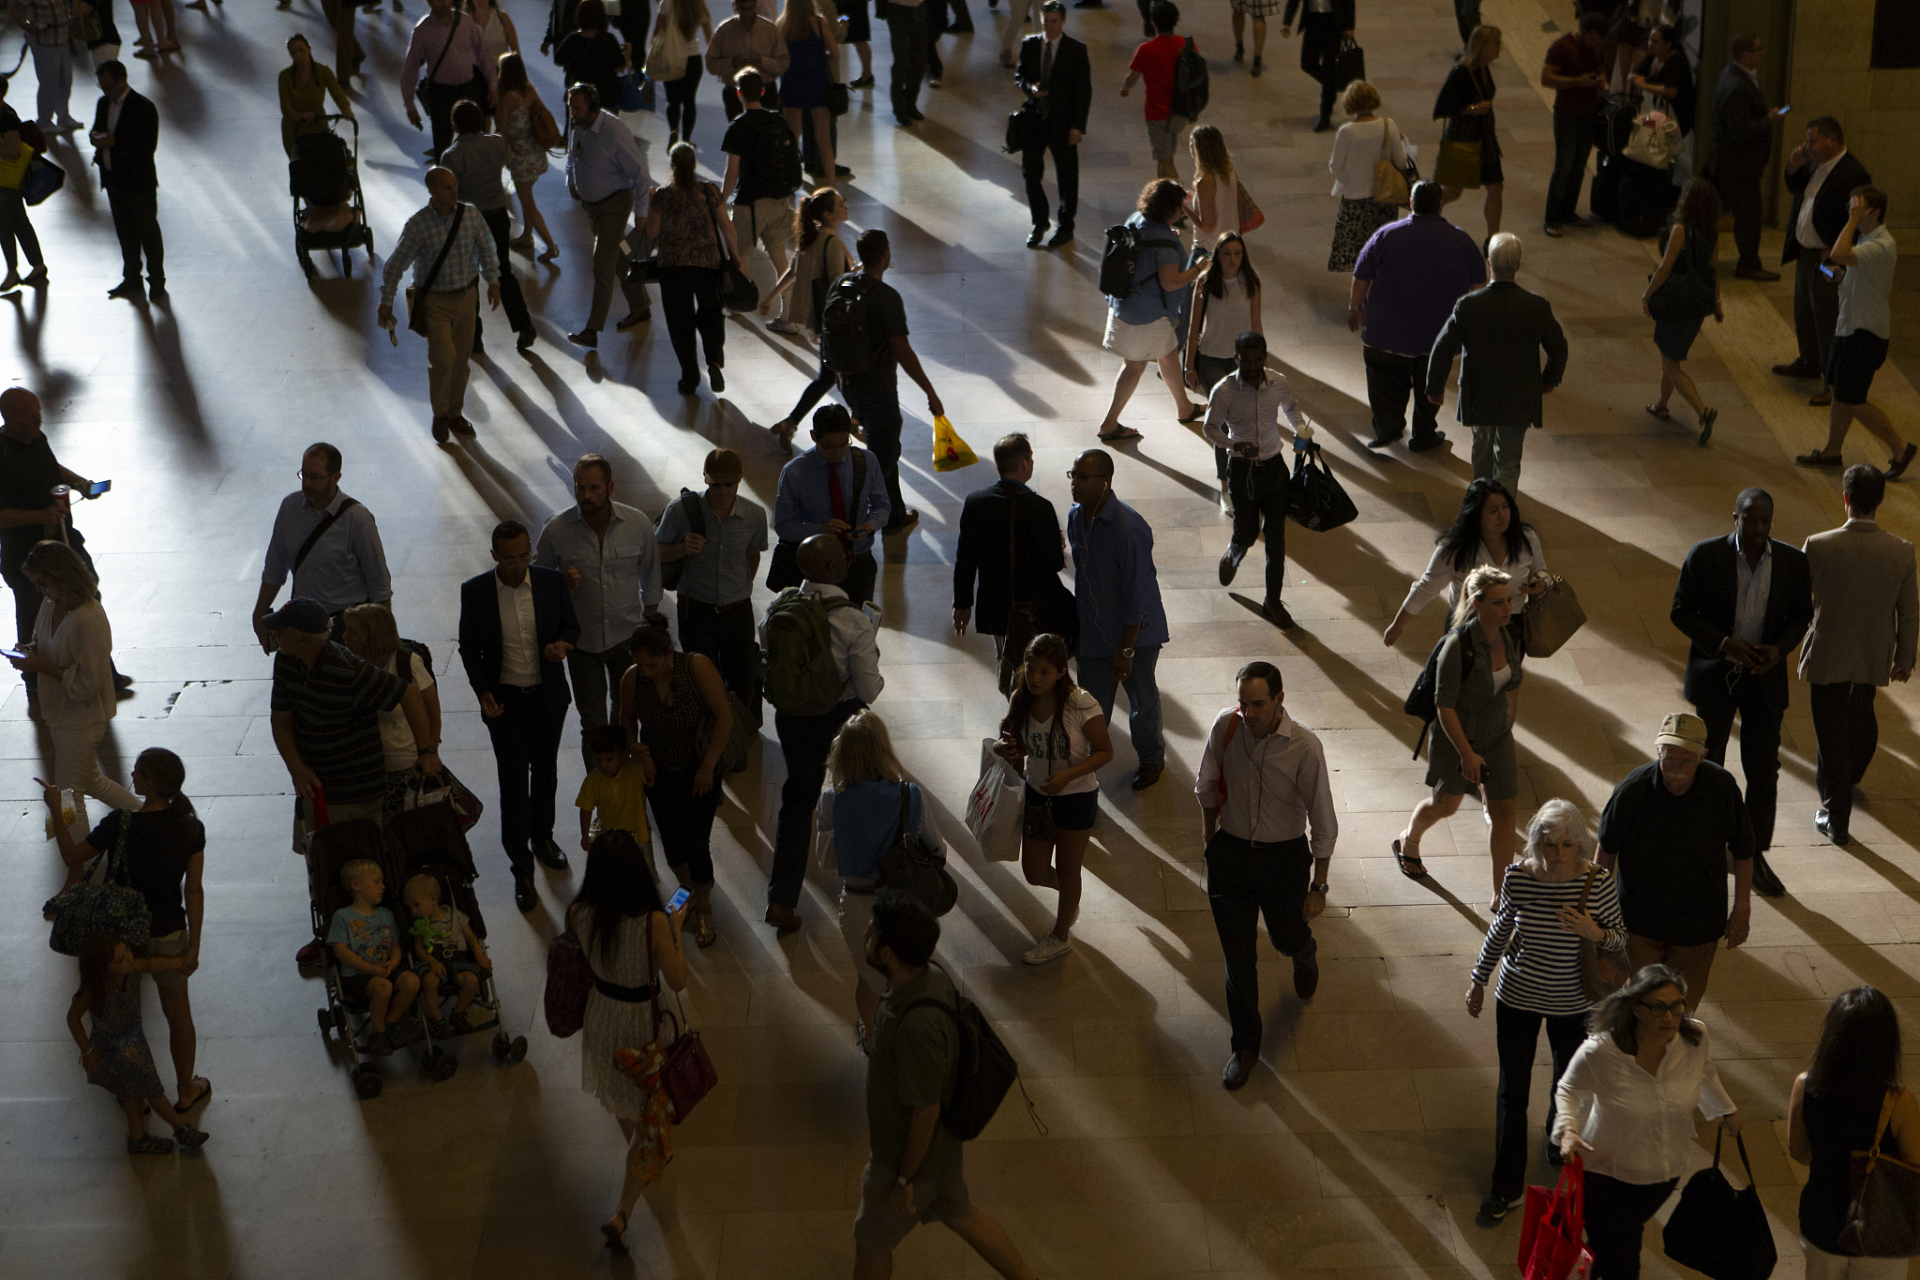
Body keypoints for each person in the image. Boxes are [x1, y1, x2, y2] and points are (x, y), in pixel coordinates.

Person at [853, 889, 1042, 1280]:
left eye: (871, 935)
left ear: (888, 954)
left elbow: (926, 1111)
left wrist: (903, 1180)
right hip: (941, 1154)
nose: (864, 939)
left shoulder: (917, 1026)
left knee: (871, 1241)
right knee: (962, 1216)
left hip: (906, 1161)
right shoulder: (929, 974)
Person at [1465, 800, 1625, 1228]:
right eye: (1549, 844)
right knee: (1511, 1091)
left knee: (1565, 1081)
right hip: (1517, 996)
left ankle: (1558, 1137)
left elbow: (1618, 937)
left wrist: (1593, 931)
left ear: (1580, 844)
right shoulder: (1519, 876)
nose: (1557, 855)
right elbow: (1501, 928)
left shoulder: (1598, 881)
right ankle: (1506, 1186)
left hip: (1573, 1002)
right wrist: (1479, 979)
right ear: (1536, 842)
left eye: (1568, 845)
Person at [1197, 661, 1337, 1089]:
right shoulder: (1226, 727)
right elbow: (1206, 784)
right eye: (1243, 703)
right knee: (1238, 959)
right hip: (1232, 856)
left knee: (1284, 936)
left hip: (1283, 860)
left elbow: (1324, 821)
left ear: (1280, 700)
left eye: (1258, 704)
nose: (1249, 713)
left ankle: (1303, 951)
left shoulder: (1304, 747)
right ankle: (1245, 1046)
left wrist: (1318, 887)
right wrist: (1211, 843)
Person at [45, 749, 206, 1114]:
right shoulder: (191, 827)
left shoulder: (120, 823)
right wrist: (193, 946)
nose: (131, 775)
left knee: (121, 1019)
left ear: (149, 781)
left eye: (137, 772)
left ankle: (131, 1089)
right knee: (178, 1015)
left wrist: (56, 807)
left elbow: (73, 858)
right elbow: (192, 890)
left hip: (120, 940)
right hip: (168, 934)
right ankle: (185, 1089)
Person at [1554, 966, 1740, 1280]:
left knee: (1612, 1244)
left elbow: (1705, 1073)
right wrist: (1568, 1130)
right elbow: (1568, 1088)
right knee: (1624, 1263)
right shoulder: (1602, 1050)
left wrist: (1726, 1110)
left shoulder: (1695, 1038)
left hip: (1663, 1173)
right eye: (1658, 1007)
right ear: (1637, 1009)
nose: (1670, 1016)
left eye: (1676, 1005)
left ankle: (1583, 1267)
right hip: (1606, 1177)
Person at [1670, 487, 1811, 898]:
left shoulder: (1791, 562)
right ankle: (1705, 847)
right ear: (1735, 518)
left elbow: (1802, 616)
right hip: (1717, 676)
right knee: (1707, 763)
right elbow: (1681, 611)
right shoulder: (1706, 555)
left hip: (1763, 681)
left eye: (1765, 521)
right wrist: (1726, 644)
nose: (1757, 528)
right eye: (1749, 519)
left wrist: (1778, 650)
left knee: (1763, 771)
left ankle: (1752, 852)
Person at [566, 830, 689, 1253]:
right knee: (651, 1119)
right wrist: (675, 930)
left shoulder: (578, 913)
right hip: (643, 1024)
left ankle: (646, 1145)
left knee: (622, 1100)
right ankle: (622, 1214)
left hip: (601, 1015)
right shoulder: (653, 921)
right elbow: (678, 979)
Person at [457, 520, 582, 911]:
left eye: (524, 557)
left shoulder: (550, 582)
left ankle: (543, 838)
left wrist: (562, 644)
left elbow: (570, 625)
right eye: (509, 559)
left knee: (545, 771)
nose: (517, 566)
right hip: (505, 702)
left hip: (546, 696)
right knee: (512, 781)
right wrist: (484, 694)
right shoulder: (476, 592)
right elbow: (469, 649)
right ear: (494, 555)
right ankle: (521, 868)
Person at [763, 534, 883, 934]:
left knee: (797, 803)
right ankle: (866, 882)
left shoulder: (776, 608)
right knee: (859, 794)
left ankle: (781, 901)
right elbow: (868, 691)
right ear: (833, 567)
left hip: (792, 717)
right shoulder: (854, 619)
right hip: (841, 720)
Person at [1595, 713, 1755, 1006]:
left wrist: (1741, 909)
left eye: (1686, 761)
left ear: (1703, 755)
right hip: (1639, 922)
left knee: (1682, 1006)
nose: (1676, 768)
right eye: (1669, 758)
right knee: (1641, 1005)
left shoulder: (1721, 788)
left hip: (1698, 924)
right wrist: (1599, 914)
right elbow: (1605, 850)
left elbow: (1744, 851)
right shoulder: (1632, 791)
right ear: (1658, 752)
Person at [1799, 465, 1919, 846]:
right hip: (1873, 650)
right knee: (1862, 713)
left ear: (1846, 498)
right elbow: (1910, 610)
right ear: (1880, 501)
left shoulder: (1818, 544)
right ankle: (1849, 777)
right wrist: (1905, 657)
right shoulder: (1901, 551)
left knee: (1829, 732)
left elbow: (1800, 602)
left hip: (1828, 650)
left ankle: (1837, 815)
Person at [1390, 566, 1521, 905]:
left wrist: (1508, 722)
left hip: (1497, 737)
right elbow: (1443, 706)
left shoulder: (1510, 636)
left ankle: (1500, 895)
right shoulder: (1457, 646)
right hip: (1458, 739)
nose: (1507, 608)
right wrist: (1466, 754)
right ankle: (1409, 840)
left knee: (1505, 811)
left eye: (1509, 601)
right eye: (1498, 603)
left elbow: (1514, 684)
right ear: (1476, 604)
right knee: (1445, 805)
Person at [816, 711, 942, 1046]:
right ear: (885, 749)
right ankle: (913, 1040)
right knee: (909, 977)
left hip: (857, 904)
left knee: (869, 979)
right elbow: (938, 850)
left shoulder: (832, 799)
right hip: (904, 903)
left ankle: (872, 1038)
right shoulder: (910, 795)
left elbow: (825, 860)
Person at [535, 453, 664, 769]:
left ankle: (625, 785)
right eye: (580, 488)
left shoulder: (637, 525)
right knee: (592, 724)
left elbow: (651, 572)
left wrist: (650, 611)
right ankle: (600, 791)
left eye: (594, 488)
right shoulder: (556, 530)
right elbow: (538, 585)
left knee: (627, 715)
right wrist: (560, 585)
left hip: (627, 639)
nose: (586, 496)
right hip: (583, 644)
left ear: (610, 487)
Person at [993, 634, 1112, 965]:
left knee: (1068, 867)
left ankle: (1061, 935)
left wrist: (1067, 776)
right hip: (1036, 793)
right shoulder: (1023, 697)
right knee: (1034, 871)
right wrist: (1005, 749)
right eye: (1031, 669)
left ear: (1061, 672)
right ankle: (1070, 901)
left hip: (1076, 796)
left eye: (1044, 672)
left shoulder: (1081, 704)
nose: (1035, 678)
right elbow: (1014, 740)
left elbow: (1105, 752)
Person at [0, 388, 118, 712]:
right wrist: (40, 516)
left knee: (86, 590)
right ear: (8, 419)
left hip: (63, 539)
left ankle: (100, 669)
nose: (38, 419)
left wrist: (80, 482)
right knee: (34, 614)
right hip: (25, 553)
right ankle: (35, 682)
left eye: (38, 412)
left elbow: (52, 467)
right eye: (29, 415)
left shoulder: (36, 437)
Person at [1789, 988, 1920, 1280]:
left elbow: (1798, 1152)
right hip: (1879, 1232)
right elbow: (1915, 1169)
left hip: (1821, 1223)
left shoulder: (1805, 1085)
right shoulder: (1899, 1102)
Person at [10, 541, 139, 837]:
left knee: (69, 796)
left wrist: (39, 666)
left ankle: (76, 872)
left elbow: (87, 684)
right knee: (91, 780)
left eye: (42, 583)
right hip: (60, 713)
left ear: (61, 576)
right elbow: (43, 643)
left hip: (83, 719)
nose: (39, 590)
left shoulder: (88, 617)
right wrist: (28, 651)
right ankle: (152, 821)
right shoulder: (50, 603)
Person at [1425, 232, 1567, 494]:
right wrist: (1548, 379)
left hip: (1480, 394)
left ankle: (1481, 507)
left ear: (1488, 263)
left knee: (1482, 452)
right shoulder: (1536, 305)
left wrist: (1435, 387)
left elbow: (1443, 347)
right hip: (1519, 395)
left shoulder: (1468, 305)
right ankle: (1505, 512)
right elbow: (1558, 348)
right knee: (1510, 461)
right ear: (1518, 265)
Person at [1348, 181, 1484, 454]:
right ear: (1441, 205)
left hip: (1385, 334)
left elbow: (1361, 275)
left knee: (1383, 381)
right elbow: (1479, 288)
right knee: (1429, 389)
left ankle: (1388, 428)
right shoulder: (1462, 241)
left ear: (1411, 203)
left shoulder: (1386, 235)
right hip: (1436, 340)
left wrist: (1354, 308)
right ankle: (1423, 435)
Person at [619, 624, 733, 946]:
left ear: (669, 653)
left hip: (700, 768)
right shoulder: (633, 678)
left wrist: (708, 766)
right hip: (658, 771)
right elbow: (626, 718)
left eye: (651, 665)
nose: (645, 671)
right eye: (640, 665)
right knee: (671, 839)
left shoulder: (696, 667)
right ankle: (686, 891)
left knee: (697, 841)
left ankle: (704, 905)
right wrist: (634, 746)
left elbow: (724, 717)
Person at [1067, 448, 1168, 791]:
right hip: (1094, 633)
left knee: (1142, 701)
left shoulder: (1128, 529)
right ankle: (1084, 768)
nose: (1075, 483)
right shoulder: (1075, 517)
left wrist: (1126, 651)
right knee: (1091, 709)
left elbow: (1138, 597)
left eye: (1083, 477)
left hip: (1134, 636)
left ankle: (1152, 759)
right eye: (1074, 475)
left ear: (1106, 481)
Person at [377, 168, 503, 442]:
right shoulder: (419, 225)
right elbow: (396, 264)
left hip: (467, 296)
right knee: (443, 358)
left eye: (455, 184)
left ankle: (455, 414)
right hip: (435, 301)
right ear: (432, 191)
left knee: (461, 360)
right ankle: (439, 413)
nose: (454, 191)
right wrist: (386, 301)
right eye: (447, 187)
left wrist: (493, 282)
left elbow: (487, 248)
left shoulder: (469, 215)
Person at [830, 230, 940, 537]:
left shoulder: (841, 284)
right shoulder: (886, 297)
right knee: (883, 460)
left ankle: (893, 519)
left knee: (882, 451)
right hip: (879, 391)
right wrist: (930, 392)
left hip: (850, 386)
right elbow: (902, 351)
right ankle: (855, 518)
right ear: (886, 255)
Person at [1798, 188, 1914, 476]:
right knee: (1838, 390)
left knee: (1853, 399)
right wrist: (1838, 276)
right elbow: (1850, 270)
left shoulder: (1883, 244)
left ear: (1873, 212)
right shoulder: (1866, 240)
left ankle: (1899, 450)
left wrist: (1850, 221)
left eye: (1856, 207)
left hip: (1865, 334)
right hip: (1847, 328)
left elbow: (1839, 253)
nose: (1850, 210)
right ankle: (1832, 451)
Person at [1203, 331, 1311, 629]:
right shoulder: (1224, 390)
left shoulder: (1278, 382)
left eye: (1257, 359)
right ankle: (1235, 549)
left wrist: (1300, 428)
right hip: (1243, 471)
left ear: (1265, 357)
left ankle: (1272, 601)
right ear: (1235, 358)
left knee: (1276, 540)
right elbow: (1210, 428)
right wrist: (1231, 445)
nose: (1252, 365)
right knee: (1248, 532)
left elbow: (1290, 407)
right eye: (1245, 359)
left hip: (1275, 467)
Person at [952, 433, 1073, 694]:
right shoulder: (1040, 507)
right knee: (1034, 661)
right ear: (1024, 463)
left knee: (1006, 652)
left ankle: (1012, 701)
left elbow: (965, 558)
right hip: (1034, 606)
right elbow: (1053, 562)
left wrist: (962, 604)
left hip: (997, 606)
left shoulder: (976, 502)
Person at [67, 935, 209, 1154]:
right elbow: (73, 1017)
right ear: (103, 970)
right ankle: (181, 1129)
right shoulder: (96, 989)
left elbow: (152, 964)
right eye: (120, 960)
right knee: (153, 1090)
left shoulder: (131, 971)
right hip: (114, 1050)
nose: (129, 959)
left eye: (127, 953)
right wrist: (87, 1051)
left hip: (134, 1042)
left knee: (132, 1092)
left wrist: (177, 963)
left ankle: (137, 1138)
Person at [656, 447, 768, 713]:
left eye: (730, 484)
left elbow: (752, 556)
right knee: (701, 681)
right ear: (704, 477)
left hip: (737, 611)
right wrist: (681, 548)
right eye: (715, 484)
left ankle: (740, 731)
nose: (723, 491)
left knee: (742, 680)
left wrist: (739, 589)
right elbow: (656, 550)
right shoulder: (681, 510)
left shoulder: (753, 515)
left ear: (740, 477)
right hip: (695, 610)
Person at [1096, 179, 1207, 442]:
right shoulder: (1165, 244)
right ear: (1168, 208)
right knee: (1135, 366)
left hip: (1125, 305)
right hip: (1147, 316)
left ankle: (1185, 408)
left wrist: (1169, 237)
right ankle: (1109, 424)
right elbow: (1170, 282)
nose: (1183, 213)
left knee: (1167, 353)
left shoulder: (1137, 218)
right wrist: (1196, 270)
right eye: (1180, 208)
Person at [1771, 118, 1871, 406]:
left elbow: (1861, 219)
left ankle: (1832, 382)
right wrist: (1793, 165)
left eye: (1812, 141)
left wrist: (1837, 250)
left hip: (1827, 259)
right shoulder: (1814, 164)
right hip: (1806, 254)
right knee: (1804, 311)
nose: (1807, 146)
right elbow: (1795, 187)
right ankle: (1808, 361)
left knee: (1827, 318)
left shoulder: (1853, 173)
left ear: (1831, 139)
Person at [253, 444, 393, 648]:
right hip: (302, 624)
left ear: (336, 477)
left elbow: (379, 583)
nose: (308, 483)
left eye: (316, 478)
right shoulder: (289, 508)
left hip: (345, 628)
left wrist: (383, 640)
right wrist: (260, 614)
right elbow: (275, 567)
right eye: (304, 475)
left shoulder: (358, 520)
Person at [1381, 479, 1546, 648]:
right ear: (1476, 514)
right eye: (1493, 510)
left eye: (1505, 507)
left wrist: (1540, 585)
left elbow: (1541, 572)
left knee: (1506, 674)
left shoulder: (1527, 539)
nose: (1502, 515)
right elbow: (1427, 586)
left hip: (1511, 625)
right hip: (1465, 626)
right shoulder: (1455, 548)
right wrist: (1397, 625)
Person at [645, 142, 743, 396]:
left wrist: (650, 202)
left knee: (680, 323)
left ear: (672, 166)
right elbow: (726, 225)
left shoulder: (662, 196)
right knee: (711, 314)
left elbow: (652, 232)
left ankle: (689, 377)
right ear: (695, 165)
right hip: (707, 265)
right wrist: (735, 254)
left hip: (672, 268)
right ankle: (713, 361)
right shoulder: (709, 190)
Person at [760, 187, 855, 445]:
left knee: (828, 376)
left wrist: (770, 298)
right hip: (837, 323)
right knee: (847, 372)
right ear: (828, 213)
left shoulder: (810, 240)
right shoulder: (832, 243)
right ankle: (858, 421)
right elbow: (838, 285)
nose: (846, 206)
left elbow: (792, 273)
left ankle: (790, 423)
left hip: (823, 321)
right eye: (840, 204)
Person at [440, 100, 535, 354]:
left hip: (469, 220)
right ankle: (524, 325)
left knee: (468, 276)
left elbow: (449, 194)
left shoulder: (451, 156)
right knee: (503, 270)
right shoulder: (496, 143)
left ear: (455, 124)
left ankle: (474, 338)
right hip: (497, 214)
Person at [564, 83, 654, 348]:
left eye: (576, 107)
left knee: (602, 266)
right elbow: (572, 156)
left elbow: (641, 175)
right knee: (619, 259)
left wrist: (641, 213)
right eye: (570, 106)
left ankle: (592, 330)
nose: (571, 112)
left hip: (614, 205)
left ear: (590, 106)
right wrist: (572, 181)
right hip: (592, 207)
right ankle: (640, 306)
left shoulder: (614, 132)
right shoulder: (578, 125)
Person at [773, 407, 889, 606]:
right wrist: (819, 530)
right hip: (816, 569)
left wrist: (869, 526)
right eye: (829, 447)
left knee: (858, 626)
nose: (837, 452)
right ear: (813, 436)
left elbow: (882, 507)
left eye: (844, 445)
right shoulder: (794, 473)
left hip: (858, 563)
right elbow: (783, 525)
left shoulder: (866, 462)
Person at [338, 603, 442, 824]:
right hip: (365, 770)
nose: (345, 636)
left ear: (372, 635)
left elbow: (432, 711)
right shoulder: (349, 665)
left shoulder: (407, 663)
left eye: (353, 632)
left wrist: (430, 753)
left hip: (405, 769)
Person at [1639, 180, 1724, 444]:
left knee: (1672, 366)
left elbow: (1665, 269)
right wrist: (1717, 304)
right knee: (1670, 359)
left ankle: (1703, 411)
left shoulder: (1680, 230)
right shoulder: (1712, 234)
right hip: (1695, 307)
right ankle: (1661, 405)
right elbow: (1712, 273)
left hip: (1675, 305)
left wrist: (1647, 295)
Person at [721, 70, 800, 331]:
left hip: (749, 203)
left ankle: (739, 305)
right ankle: (787, 314)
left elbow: (733, 172)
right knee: (779, 256)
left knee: (741, 255)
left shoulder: (738, 127)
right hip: (779, 201)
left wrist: (721, 199)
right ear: (763, 92)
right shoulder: (778, 121)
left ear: (739, 93)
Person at [1184, 232, 1261, 499]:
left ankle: (1246, 479)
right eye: (1226, 253)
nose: (1232, 259)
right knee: (1222, 424)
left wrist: (1262, 362)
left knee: (1244, 422)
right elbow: (1194, 326)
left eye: (1237, 253)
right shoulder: (1206, 282)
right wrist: (1188, 366)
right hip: (1211, 359)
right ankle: (1226, 487)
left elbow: (1256, 323)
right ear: (1218, 255)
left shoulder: (1250, 282)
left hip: (1241, 361)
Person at [1708, 34, 1787, 282]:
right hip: (1739, 165)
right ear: (1746, 55)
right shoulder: (1739, 86)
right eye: (1757, 49)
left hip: (1732, 162)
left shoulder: (1732, 73)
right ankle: (1748, 264)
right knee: (1749, 216)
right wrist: (1769, 120)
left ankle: (1748, 261)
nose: (1762, 53)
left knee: (1741, 213)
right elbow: (1740, 130)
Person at [328, 859, 423, 1056]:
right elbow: (341, 951)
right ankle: (378, 1033)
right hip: (356, 975)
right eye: (376, 881)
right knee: (383, 987)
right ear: (356, 885)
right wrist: (370, 969)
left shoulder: (386, 915)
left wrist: (394, 961)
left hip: (385, 967)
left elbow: (396, 946)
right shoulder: (343, 917)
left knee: (412, 981)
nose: (383, 886)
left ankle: (391, 1022)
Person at [1014, 1, 1089, 250]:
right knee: (1030, 173)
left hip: (1063, 123)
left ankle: (1066, 226)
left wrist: (1078, 125)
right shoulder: (1030, 44)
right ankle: (1040, 222)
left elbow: (1083, 91)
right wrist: (1030, 88)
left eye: (1054, 21)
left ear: (1064, 21)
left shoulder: (1076, 50)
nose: (1050, 26)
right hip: (1035, 121)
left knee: (1067, 177)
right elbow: (1020, 76)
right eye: (1046, 20)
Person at [91, 61, 163, 303]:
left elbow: (147, 147)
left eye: (108, 86)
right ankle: (132, 278)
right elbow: (96, 130)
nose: (105, 92)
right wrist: (95, 138)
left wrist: (114, 143)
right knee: (125, 234)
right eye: (102, 87)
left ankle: (156, 281)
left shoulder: (143, 107)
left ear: (122, 80)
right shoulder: (103, 103)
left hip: (138, 182)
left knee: (147, 233)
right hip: (113, 180)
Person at [1325, 81, 1409, 272]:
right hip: (1384, 199)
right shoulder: (1389, 125)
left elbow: (1334, 167)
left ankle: (1362, 295)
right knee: (1381, 252)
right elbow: (1402, 163)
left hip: (1355, 201)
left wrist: (1351, 180)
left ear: (1350, 104)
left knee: (1358, 256)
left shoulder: (1346, 132)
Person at [1539, 9, 1606, 237]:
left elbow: (1600, 70)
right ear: (1584, 31)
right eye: (1593, 38)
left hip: (1588, 115)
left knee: (1578, 168)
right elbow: (1546, 78)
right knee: (1564, 167)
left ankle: (1568, 212)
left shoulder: (1596, 46)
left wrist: (1601, 83)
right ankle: (1552, 217)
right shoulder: (1561, 47)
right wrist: (1577, 82)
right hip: (1567, 115)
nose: (1596, 44)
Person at [401, 870, 493, 1037]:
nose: (413, 911)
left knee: (472, 981)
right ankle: (436, 1018)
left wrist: (479, 955)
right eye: (410, 908)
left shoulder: (454, 915)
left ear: (434, 899)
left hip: (458, 962)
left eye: (416, 905)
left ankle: (458, 1013)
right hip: (432, 963)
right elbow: (419, 948)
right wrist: (432, 961)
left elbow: (471, 936)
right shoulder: (421, 925)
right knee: (429, 981)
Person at [402, 0, 497, 161]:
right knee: (443, 147)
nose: (444, 3)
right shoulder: (422, 30)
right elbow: (410, 70)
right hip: (441, 94)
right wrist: (410, 106)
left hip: (468, 90)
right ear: (430, 2)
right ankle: (446, 181)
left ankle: (473, 180)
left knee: (475, 143)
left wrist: (493, 86)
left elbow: (484, 55)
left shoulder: (465, 21)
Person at [1432, 25, 1503, 239]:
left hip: (1485, 140)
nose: (1500, 48)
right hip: (1463, 139)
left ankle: (1493, 239)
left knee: (1496, 187)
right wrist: (1472, 109)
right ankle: (1425, 220)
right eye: (1496, 44)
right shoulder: (1462, 71)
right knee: (1452, 192)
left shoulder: (1484, 68)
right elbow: (1442, 107)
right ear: (1482, 46)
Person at [496, 53, 560, 261]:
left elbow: (501, 131)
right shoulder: (530, 91)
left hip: (520, 155)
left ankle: (551, 246)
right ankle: (526, 236)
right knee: (527, 198)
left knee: (527, 202)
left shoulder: (508, 98)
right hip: (535, 151)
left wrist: (503, 157)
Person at [1120, 2, 1188, 182]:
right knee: (1163, 157)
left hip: (1159, 114)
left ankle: (1177, 204)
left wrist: (1125, 89)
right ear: (1176, 20)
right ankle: (1163, 199)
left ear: (1153, 23)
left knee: (1165, 161)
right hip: (1181, 111)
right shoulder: (1186, 45)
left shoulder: (1146, 49)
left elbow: (1132, 78)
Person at [777, 0, 836, 185]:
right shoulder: (819, 22)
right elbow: (836, 53)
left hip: (792, 82)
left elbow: (777, 55)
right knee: (824, 138)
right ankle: (832, 185)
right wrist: (818, 54)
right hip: (817, 81)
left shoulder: (782, 25)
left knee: (793, 136)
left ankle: (791, 181)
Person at [1629, 24, 1693, 184]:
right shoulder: (1654, 56)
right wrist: (1635, 78)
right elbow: (1637, 72)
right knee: (1649, 139)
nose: (1650, 44)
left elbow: (1671, 92)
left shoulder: (1677, 62)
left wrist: (1644, 85)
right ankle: (1652, 175)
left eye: (1655, 41)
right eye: (1650, 40)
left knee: (1661, 148)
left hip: (1674, 120)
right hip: (1657, 116)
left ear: (1668, 43)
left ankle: (1662, 180)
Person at [8, 0, 84, 132]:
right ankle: (44, 121)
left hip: (63, 38)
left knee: (65, 81)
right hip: (44, 42)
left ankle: (63, 116)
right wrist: (26, 26)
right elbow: (11, 5)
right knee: (49, 83)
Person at [707, 0, 791, 120]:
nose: (747, 14)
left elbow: (783, 62)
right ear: (735, 6)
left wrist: (763, 62)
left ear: (756, 5)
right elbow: (711, 64)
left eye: (750, 8)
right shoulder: (724, 30)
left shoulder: (769, 29)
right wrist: (731, 63)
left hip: (765, 91)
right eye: (743, 9)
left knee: (767, 135)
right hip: (735, 93)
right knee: (739, 135)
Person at [0, 84, 48, 291]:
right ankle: (38, 266)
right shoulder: (6, 113)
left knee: (3, 227)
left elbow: (13, 151)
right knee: (20, 223)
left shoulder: (6, 118)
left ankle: (12, 271)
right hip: (6, 180)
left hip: (7, 181)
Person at [576, 722, 653, 852]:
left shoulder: (635, 770)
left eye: (609, 759)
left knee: (645, 870)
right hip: (609, 838)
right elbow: (585, 808)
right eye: (598, 759)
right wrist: (584, 834)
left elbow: (651, 774)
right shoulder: (592, 780)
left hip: (639, 837)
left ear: (623, 756)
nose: (604, 765)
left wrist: (645, 757)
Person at [1279, 0, 1351, 131]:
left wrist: (1349, 26)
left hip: (1333, 22)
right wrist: (1287, 22)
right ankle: (1332, 85)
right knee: (1307, 63)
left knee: (1329, 68)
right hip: (1312, 21)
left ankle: (1325, 116)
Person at [279, 33, 353, 158]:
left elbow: (337, 92)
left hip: (318, 123)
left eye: (301, 50)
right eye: (293, 53)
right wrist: (301, 116)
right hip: (294, 129)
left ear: (309, 49)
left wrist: (345, 107)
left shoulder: (323, 71)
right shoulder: (285, 76)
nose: (298, 55)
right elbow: (286, 108)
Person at [654, 0, 713, 145]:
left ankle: (674, 130)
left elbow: (657, 29)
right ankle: (686, 139)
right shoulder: (699, 5)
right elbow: (709, 36)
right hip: (692, 57)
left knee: (672, 100)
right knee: (689, 100)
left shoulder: (667, 2)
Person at [1184, 124, 1238, 247]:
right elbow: (1220, 202)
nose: (1190, 146)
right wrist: (1196, 198)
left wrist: (1183, 207)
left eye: (1192, 142)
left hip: (1207, 246)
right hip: (1230, 240)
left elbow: (1207, 227)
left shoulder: (1205, 181)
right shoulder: (1229, 171)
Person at [884, 0, 928, 127]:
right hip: (897, 10)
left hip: (919, 9)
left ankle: (910, 104)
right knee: (901, 60)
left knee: (918, 61)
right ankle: (899, 108)